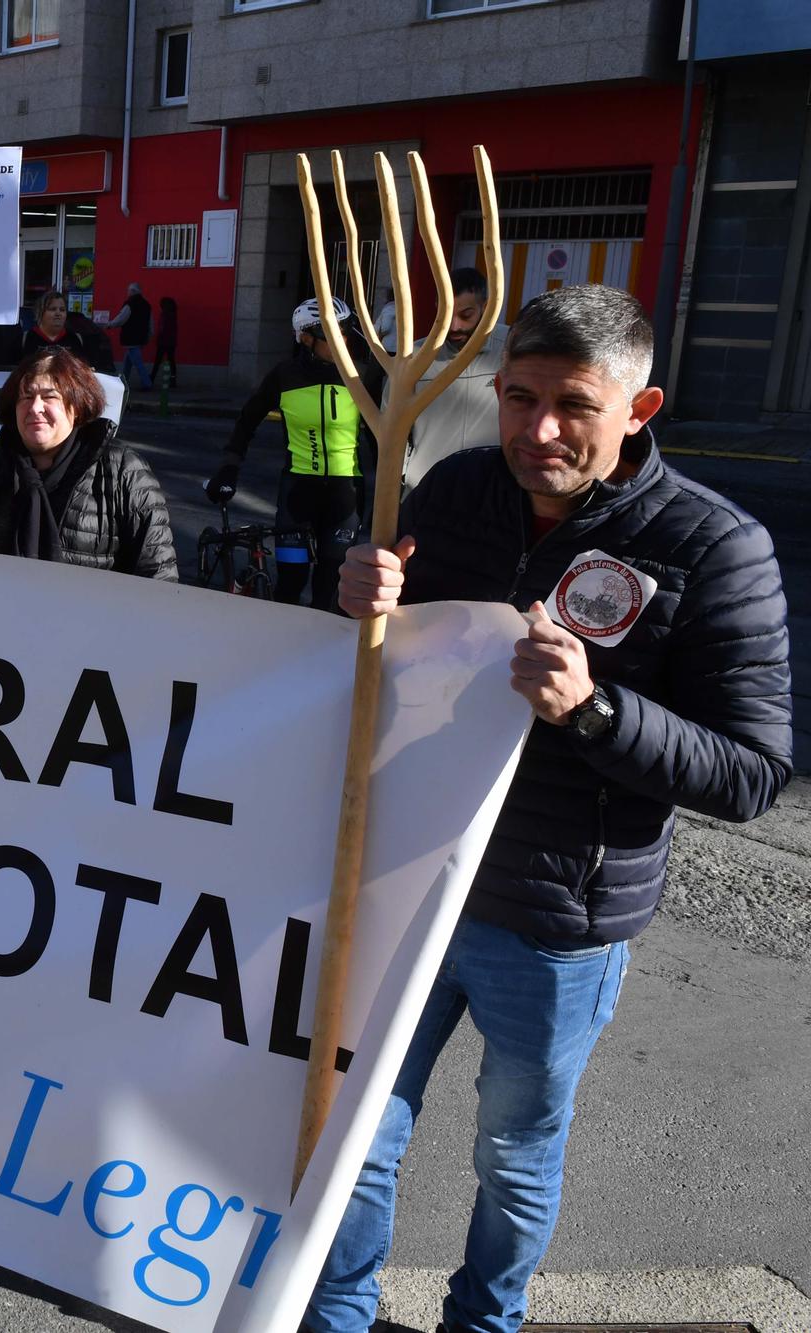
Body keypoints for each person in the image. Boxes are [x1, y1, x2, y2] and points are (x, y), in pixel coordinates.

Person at [309, 283, 793, 1333]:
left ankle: (482, 1321)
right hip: (406, 881)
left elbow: (752, 771)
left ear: (639, 408)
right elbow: (366, 666)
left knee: (511, 1152)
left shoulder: (714, 547)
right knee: (353, 1128)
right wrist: (353, 599)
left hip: (553, 923)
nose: (536, 430)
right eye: (516, 396)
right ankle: (333, 1316)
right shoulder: (448, 491)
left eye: (572, 404)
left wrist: (593, 709)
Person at [206, 296, 384, 611]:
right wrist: (229, 468)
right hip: (298, 492)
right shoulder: (284, 375)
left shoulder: (361, 375)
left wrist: (392, 480)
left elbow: (379, 436)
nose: (342, 340)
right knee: (290, 581)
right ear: (305, 337)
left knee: (330, 585)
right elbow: (247, 420)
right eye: (332, 333)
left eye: (344, 331)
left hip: (346, 494)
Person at [0, 347, 175, 579]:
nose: (35, 408)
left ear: (77, 406)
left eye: (49, 396)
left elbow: (158, 576)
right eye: (26, 397)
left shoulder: (124, 471)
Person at [401, 266, 510, 496]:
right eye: (445, 313)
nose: (454, 326)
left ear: (487, 308)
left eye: (466, 315)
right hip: (425, 490)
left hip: (493, 492)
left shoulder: (513, 348)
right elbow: (394, 427)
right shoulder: (416, 358)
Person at [19, 289, 89, 363]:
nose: (58, 313)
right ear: (40, 312)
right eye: (52, 309)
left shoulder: (76, 339)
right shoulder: (25, 339)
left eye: (62, 310)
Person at [111, 282, 154, 390]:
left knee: (138, 363)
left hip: (130, 338)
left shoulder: (130, 304)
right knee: (128, 362)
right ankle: (123, 382)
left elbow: (121, 318)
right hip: (141, 338)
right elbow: (150, 322)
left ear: (133, 291)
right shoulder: (146, 305)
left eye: (129, 291)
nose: (127, 293)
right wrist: (149, 335)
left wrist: (109, 324)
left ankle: (147, 383)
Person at [152, 296, 179, 390]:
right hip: (171, 342)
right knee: (171, 360)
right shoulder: (173, 314)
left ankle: (151, 378)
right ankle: (173, 380)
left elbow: (162, 329)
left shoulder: (164, 315)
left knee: (157, 361)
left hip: (163, 342)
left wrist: (158, 337)